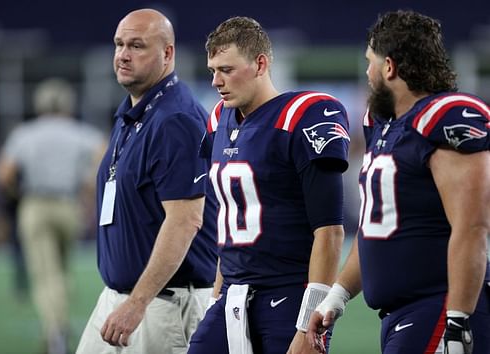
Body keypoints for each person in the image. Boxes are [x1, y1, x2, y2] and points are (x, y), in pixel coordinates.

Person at [307, 10, 490, 354]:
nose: (366, 72)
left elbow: (472, 226)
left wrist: (458, 319)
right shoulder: (384, 126)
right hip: (401, 315)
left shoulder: (442, 119)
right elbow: (377, 231)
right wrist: (338, 295)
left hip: (438, 306)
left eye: (369, 62)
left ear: (388, 67)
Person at [188, 16, 350, 354]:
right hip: (234, 293)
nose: (216, 81)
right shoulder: (219, 117)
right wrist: (218, 294)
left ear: (260, 63)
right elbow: (229, 221)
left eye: (227, 70)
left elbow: (330, 231)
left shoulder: (303, 114)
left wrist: (309, 322)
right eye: (213, 70)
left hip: (288, 293)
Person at [75, 8, 217, 354]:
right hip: (120, 299)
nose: (123, 55)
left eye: (137, 46)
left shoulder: (176, 119)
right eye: (119, 44)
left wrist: (137, 303)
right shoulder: (134, 112)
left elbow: (185, 221)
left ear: (167, 53)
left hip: (160, 305)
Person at [0, 77, 106, 354]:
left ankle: (55, 332)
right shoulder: (80, 131)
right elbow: (104, 154)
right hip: (69, 205)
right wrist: (86, 185)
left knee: (45, 275)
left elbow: (4, 173)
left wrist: (17, 195)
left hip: (36, 204)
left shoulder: (26, 133)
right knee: (63, 271)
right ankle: (57, 328)